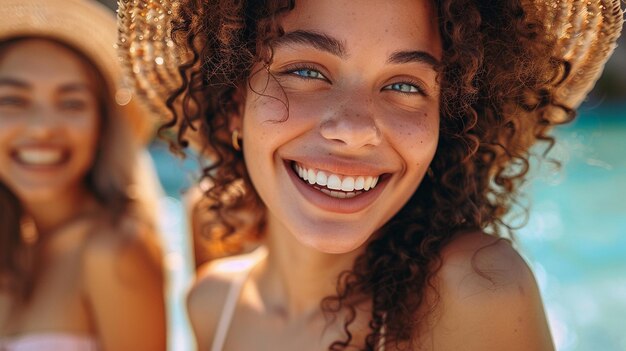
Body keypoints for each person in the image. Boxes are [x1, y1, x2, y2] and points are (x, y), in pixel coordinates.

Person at [119, 0, 623, 350]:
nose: (355, 129)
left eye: (405, 84)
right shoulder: (210, 305)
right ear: (232, 103)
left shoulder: (475, 290)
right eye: (308, 71)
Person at [0, 0, 167, 350]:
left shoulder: (113, 250)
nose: (42, 128)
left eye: (72, 103)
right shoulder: (16, 250)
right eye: (12, 100)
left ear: (102, 126)